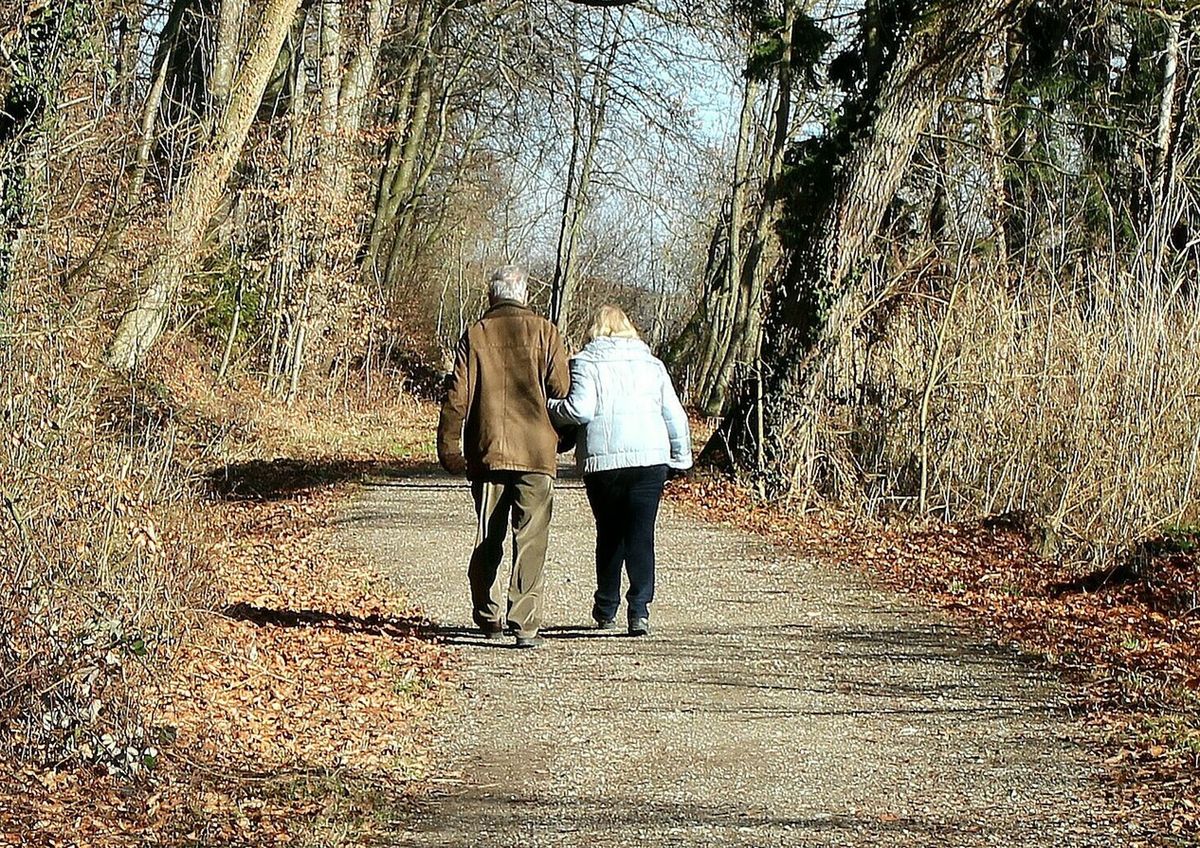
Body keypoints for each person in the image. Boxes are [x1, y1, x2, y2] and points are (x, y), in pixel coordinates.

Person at [437, 265, 570, 649]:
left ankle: (486, 613)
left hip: (488, 450)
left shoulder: (476, 334)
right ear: (524, 294)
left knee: (488, 535)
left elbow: (456, 397)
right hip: (535, 452)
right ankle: (525, 623)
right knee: (530, 538)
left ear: (492, 295)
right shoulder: (546, 331)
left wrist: (449, 449)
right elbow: (561, 388)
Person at [548, 305, 692, 637]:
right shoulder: (652, 365)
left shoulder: (584, 363)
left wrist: (549, 407)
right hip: (650, 460)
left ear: (595, 330)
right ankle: (639, 610)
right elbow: (675, 415)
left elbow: (579, 410)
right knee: (642, 536)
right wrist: (681, 460)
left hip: (605, 463)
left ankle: (606, 606)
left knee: (610, 534)